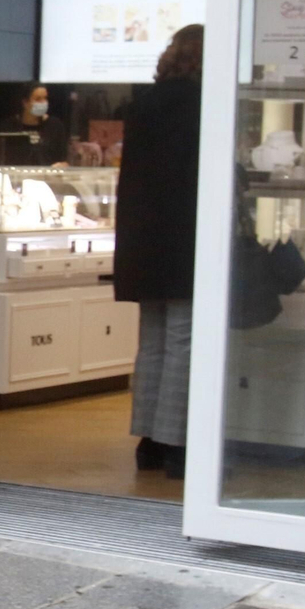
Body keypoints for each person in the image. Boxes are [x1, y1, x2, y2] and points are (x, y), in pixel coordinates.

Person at [113, 24, 204, 481]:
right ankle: (176, 443)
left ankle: (147, 439)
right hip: (184, 234)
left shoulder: (145, 102)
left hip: (142, 237)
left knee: (151, 341)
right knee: (184, 340)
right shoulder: (199, 104)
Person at [0, 83, 69, 166]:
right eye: (38, 99)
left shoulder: (55, 126)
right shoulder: (9, 126)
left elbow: (64, 161)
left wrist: (61, 165)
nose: (43, 103)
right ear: (25, 102)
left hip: (47, 176)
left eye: (45, 98)